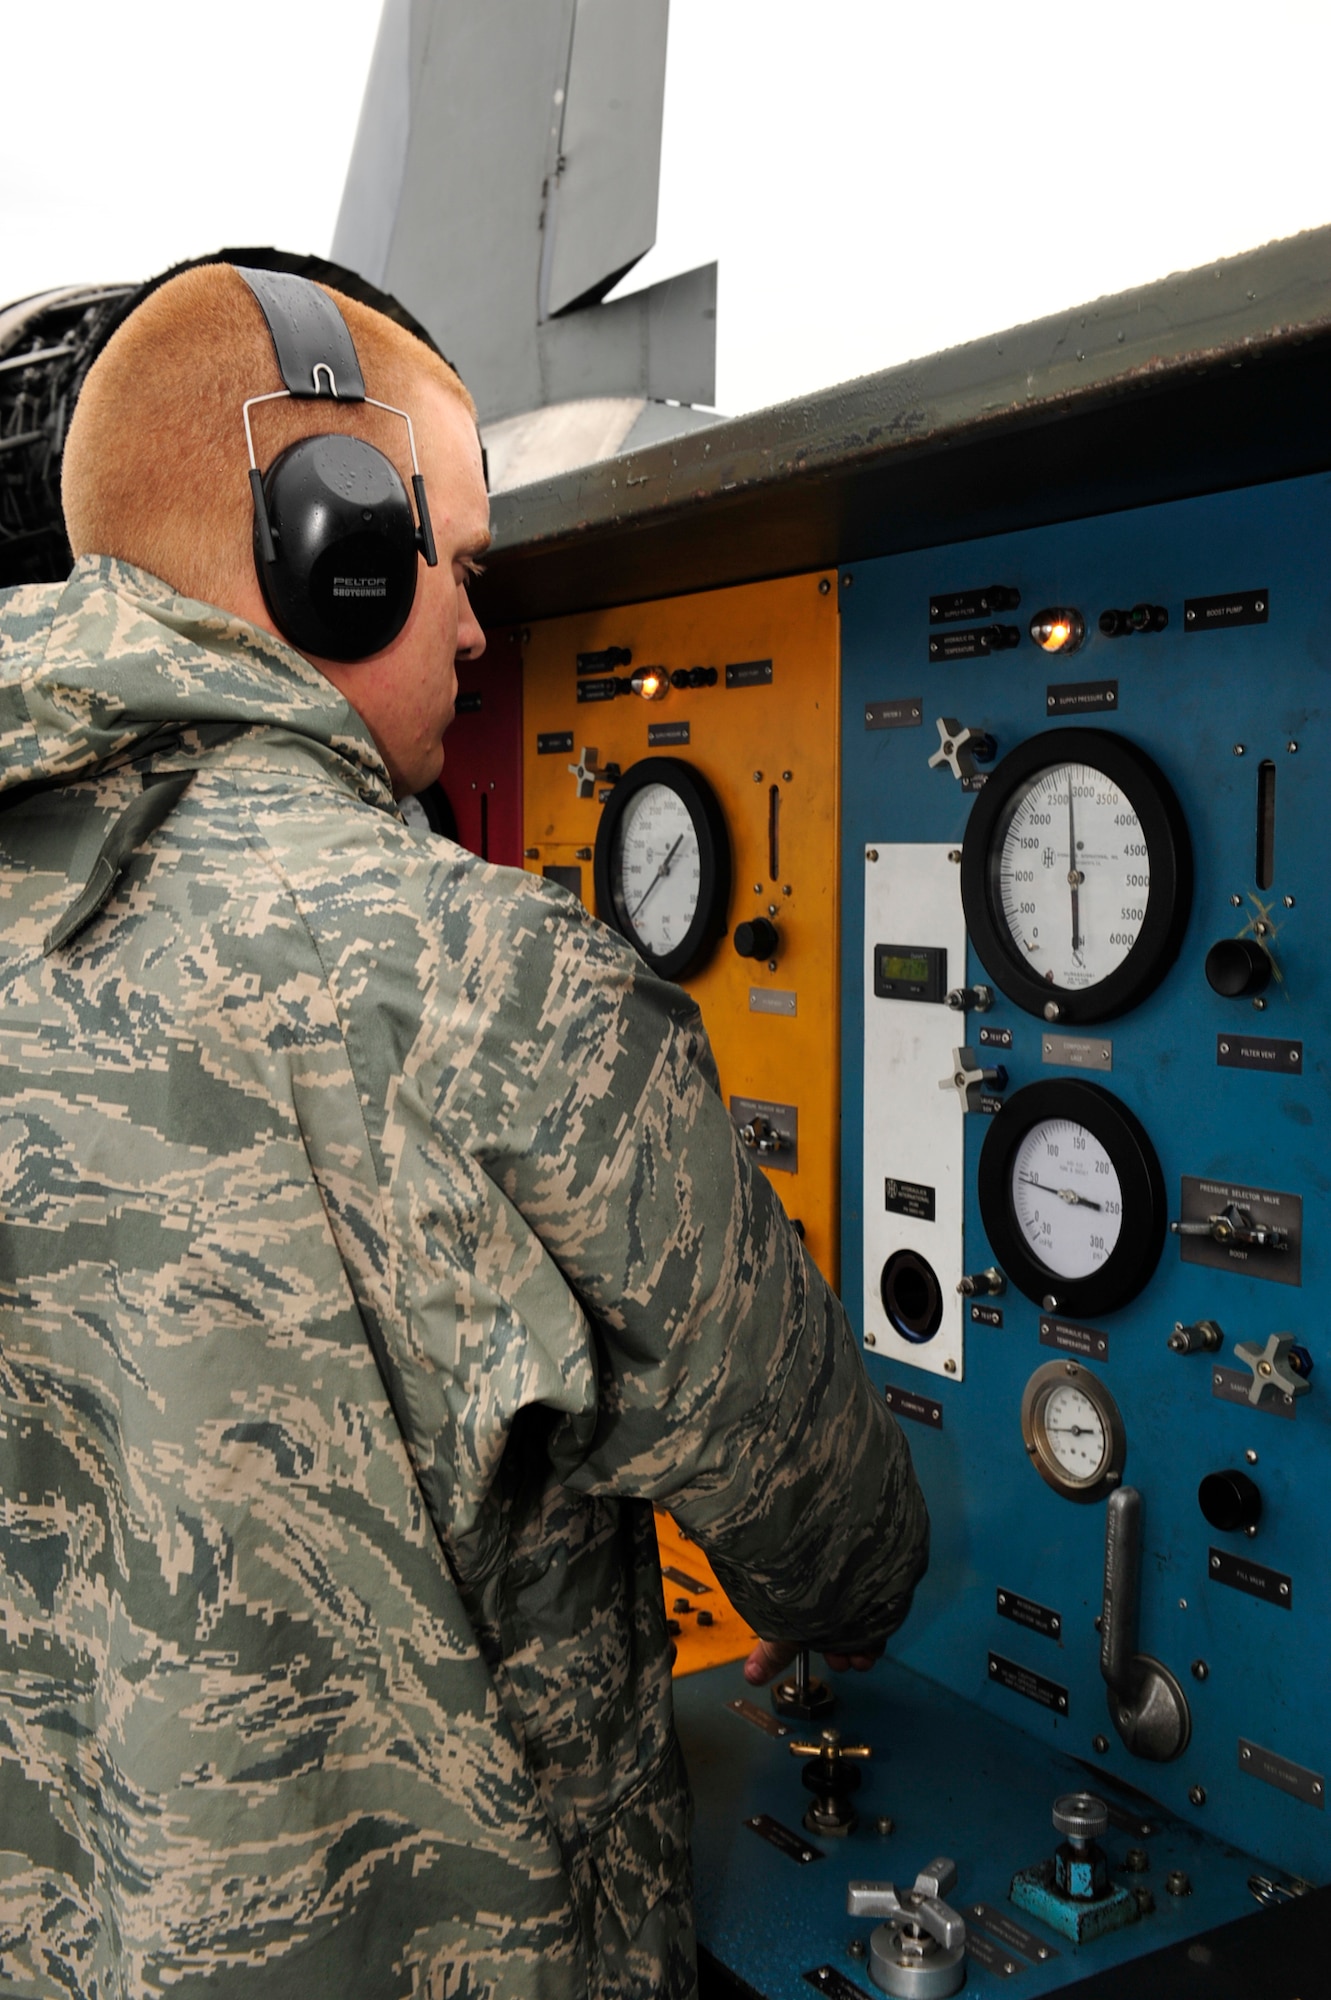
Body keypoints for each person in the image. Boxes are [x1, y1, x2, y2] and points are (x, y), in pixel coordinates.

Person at [0, 261, 928, 2000]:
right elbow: (832, 1544)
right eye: (462, 569)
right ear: (330, 541)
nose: (483, 633)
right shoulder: (492, 981)